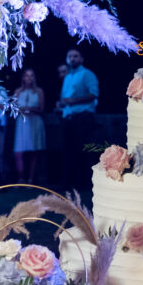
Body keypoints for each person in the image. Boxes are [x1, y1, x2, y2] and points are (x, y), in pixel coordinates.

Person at [57, 47, 99, 192]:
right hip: (68, 118)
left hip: (83, 118)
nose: (72, 58)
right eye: (70, 56)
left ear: (81, 59)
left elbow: (93, 94)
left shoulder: (87, 74)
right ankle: (68, 184)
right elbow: (65, 97)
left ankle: (86, 184)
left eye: (75, 56)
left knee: (83, 151)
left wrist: (72, 101)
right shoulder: (68, 77)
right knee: (67, 151)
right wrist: (62, 104)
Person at [12, 68, 46, 184]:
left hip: (35, 121)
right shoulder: (17, 91)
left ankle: (31, 178)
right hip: (22, 122)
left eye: (31, 75)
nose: (29, 78)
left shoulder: (39, 91)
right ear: (23, 78)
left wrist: (30, 109)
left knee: (34, 150)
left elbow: (42, 109)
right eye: (27, 75)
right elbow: (13, 108)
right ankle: (20, 177)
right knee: (19, 151)